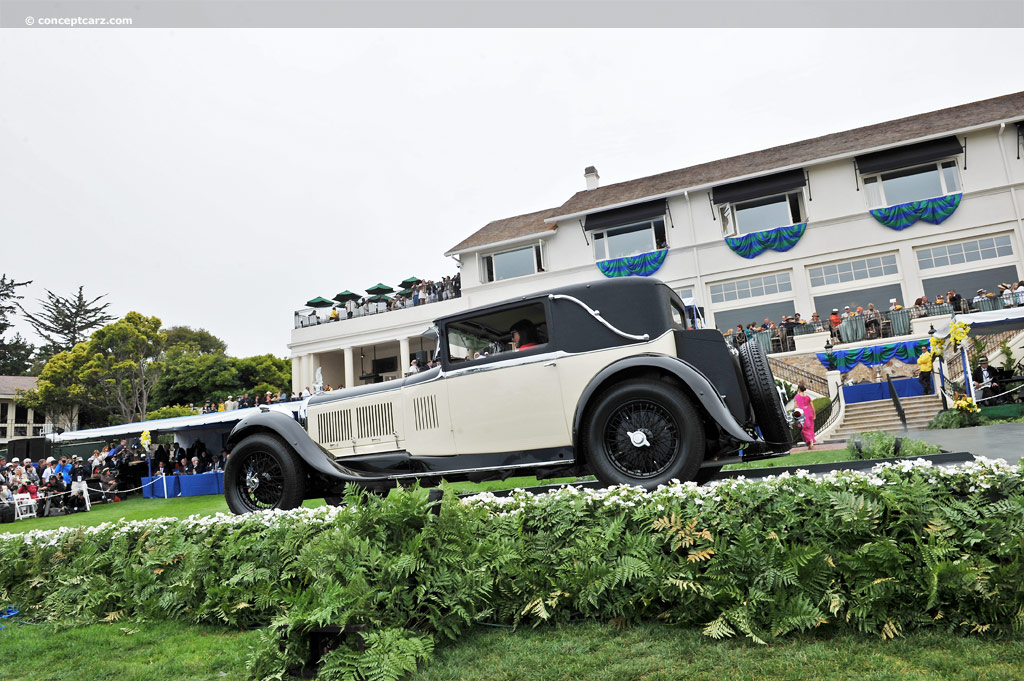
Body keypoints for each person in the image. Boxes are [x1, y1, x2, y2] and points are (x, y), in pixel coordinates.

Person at [794, 384, 816, 450]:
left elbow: (795, 407)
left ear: (799, 389)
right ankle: (810, 443)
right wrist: (814, 414)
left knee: (804, 429)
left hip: (802, 413)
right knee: (810, 428)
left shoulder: (797, 396)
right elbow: (812, 406)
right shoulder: (808, 397)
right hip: (809, 413)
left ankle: (810, 441)